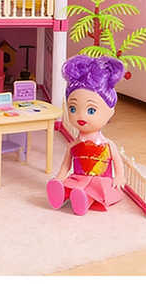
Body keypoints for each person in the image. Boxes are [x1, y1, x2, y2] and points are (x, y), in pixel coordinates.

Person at [47, 55, 126, 215]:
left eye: (91, 110)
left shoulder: (108, 145)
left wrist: (119, 177)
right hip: (79, 177)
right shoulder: (73, 146)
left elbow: (118, 164)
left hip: (101, 181)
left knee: (92, 191)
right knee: (71, 184)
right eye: (73, 109)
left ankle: (83, 201)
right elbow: (65, 166)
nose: (81, 116)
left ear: (110, 111)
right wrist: (59, 177)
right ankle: (60, 195)